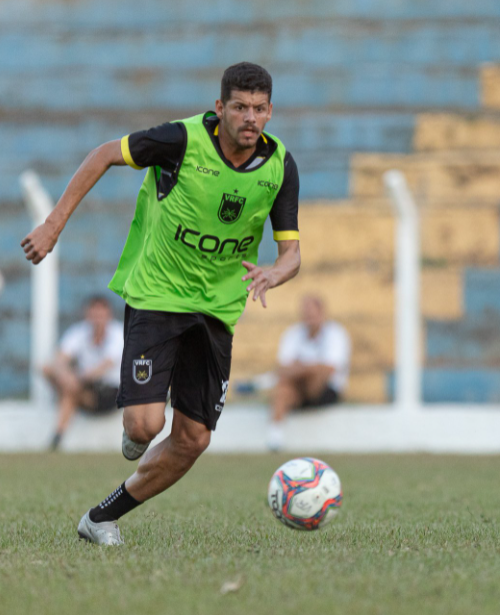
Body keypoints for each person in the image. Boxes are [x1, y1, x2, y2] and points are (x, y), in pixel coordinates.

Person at [21, 62, 301, 545]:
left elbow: (292, 251)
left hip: (217, 308)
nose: (249, 118)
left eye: (259, 109)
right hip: (159, 293)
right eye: (240, 107)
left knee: (194, 439)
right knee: (144, 427)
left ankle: (100, 518)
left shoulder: (279, 166)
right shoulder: (181, 141)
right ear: (221, 108)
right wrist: (52, 225)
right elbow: (105, 154)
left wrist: (279, 271)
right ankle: (138, 427)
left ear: (270, 112)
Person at [267, 295, 351, 451]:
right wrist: (304, 369)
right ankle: (275, 437)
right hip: (297, 389)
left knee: (313, 374)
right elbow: (282, 368)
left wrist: (302, 368)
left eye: (312, 315)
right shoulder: (292, 333)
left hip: (325, 390)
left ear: (322, 313)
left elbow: (329, 369)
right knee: (283, 389)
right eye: (306, 315)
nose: (309, 319)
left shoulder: (336, 333)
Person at [43, 295, 124, 450]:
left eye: (101, 315)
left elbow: (105, 366)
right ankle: (57, 437)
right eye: (94, 315)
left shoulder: (118, 334)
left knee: (70, 390)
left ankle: (57, 436)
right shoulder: (79, 332)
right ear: (87, 315)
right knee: (52, 373)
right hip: (83, 388)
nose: (97, 320)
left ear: (109, 315)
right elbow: (59, 359)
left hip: (110, 393)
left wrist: (76, 378)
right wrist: (66, 376)